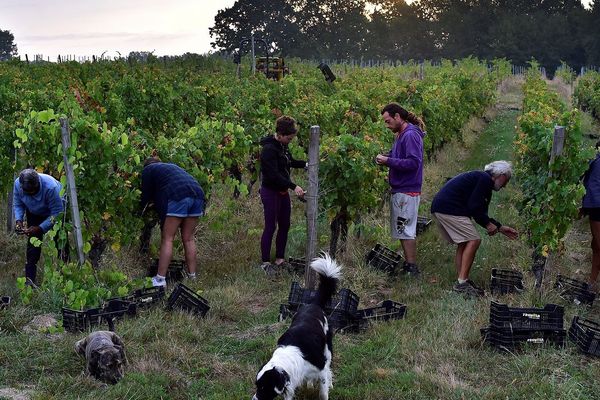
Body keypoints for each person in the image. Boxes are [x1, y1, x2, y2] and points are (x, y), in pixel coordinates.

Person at [431, 161, 519, 297]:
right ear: (500, 175)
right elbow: (475, 207)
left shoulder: (481, 179)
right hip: (449, 209)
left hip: (442, 207)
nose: (505, 185)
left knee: (465, 242)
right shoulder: (484, 180)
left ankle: (462, 280)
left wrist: (499, 227)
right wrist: (488, 224)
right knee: (474, 240)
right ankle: (462, 283)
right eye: (506, 181)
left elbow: (480, 211)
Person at [376, 103, 426, 276]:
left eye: (388, 121)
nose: (387, 125)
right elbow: (401, 157)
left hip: (407, 189)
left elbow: (413, 162)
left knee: (405, 229)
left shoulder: (410, 135)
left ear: (398, 116)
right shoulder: (401, 134)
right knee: (403, 228)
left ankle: (412, 268)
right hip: (402, 188)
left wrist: (388, 161)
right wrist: (387, 157)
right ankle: (409, 265)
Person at [140, 157, 205, 287]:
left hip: (178, 196)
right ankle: (192, 276)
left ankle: (160, 280)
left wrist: (139, 210)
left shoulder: (148, 169)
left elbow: (145, 195)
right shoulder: (170, 167)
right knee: (189, 239)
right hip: (198, 194)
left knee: (168, 238)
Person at [259, 115, 306, 275]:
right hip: (270, 192)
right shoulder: (268, 149)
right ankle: (265, 262)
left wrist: (307, 164)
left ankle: (280, 259)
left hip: (282, 192)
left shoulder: (282, 146)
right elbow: (273, 175)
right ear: (280, 134)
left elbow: (290, 161)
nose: (290, 141)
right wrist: (293, 186)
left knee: (285, 225)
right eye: (289, 138)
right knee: (270, 226)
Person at [13, 169, 66, 286]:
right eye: (28, 192)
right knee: (32, 248)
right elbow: (18, 204)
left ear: (38, 184)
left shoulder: (51, 188)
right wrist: (19, 220)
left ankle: (65, 277)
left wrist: (40, 228)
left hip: (55, 210)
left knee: (61, 244)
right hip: (34, 212)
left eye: (34, 191)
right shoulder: (18, 184)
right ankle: (30, 282)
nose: (31, 194)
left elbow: (57, 213)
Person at [582, 149, 600, 288]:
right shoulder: (595, 159)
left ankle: (592, 284)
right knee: (596, 246)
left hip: (596, 205)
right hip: (595, 206)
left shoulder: (595, 159)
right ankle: (592, 284)